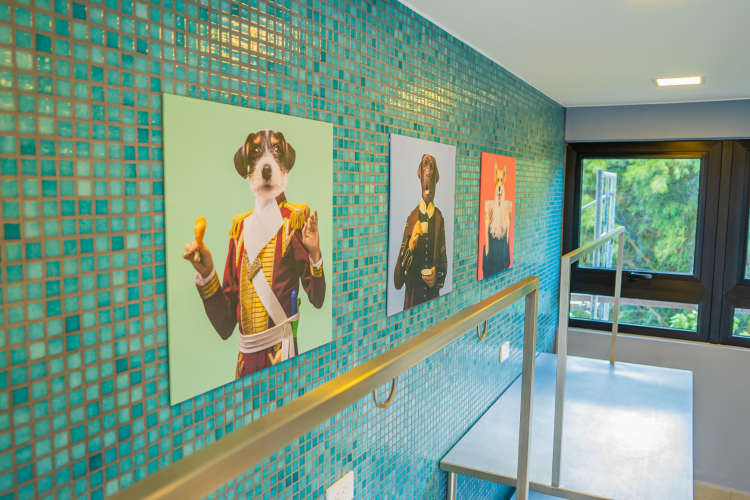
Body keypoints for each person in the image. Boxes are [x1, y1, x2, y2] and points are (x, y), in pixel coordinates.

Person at [394, 153, 448, 310]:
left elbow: (443, 263)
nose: (428, 174)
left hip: (433, 303)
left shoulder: (439, 218)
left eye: (431, 170)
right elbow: (397, 281)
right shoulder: (412, 218)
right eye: (425, 168)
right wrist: (410, 245)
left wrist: (436, 277)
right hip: (412, 303)